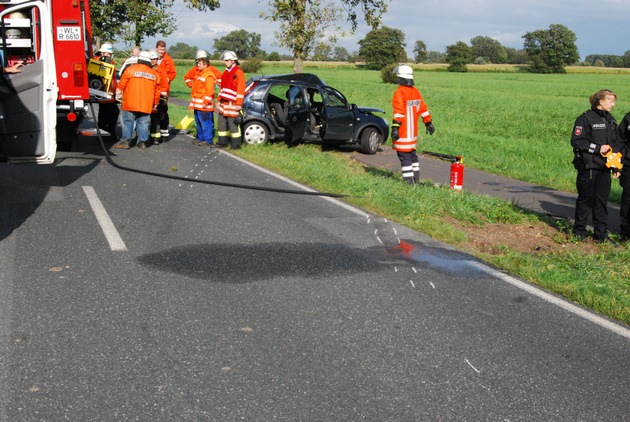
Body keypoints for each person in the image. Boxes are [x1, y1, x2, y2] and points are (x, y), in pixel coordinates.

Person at [570, 89, 621, 243]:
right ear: (601, 102)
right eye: (610, 101)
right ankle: (579, 232)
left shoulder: (610, 120)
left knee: (601, 201)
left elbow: (614, 145)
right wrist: (597, 148)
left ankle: (601, 235)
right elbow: (577, 141)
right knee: (586, 200)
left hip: (604, 168)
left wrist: (615, 166)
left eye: (614, 101)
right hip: (589, 166)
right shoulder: (585, 118)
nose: (613, 104)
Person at [390, 64, 435, 184]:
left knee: (404, 157)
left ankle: (408, 182)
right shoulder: (416, 92)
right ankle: (416, 179)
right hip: (413, 134)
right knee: (413, 156)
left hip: (403, 132)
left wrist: (395, 128)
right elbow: (423, 109)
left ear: (401, 77)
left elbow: (399, 112)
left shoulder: (399, 92)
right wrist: (428, 123)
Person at [113, 51, 161, 150]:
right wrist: (154, 103)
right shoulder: (155, 74)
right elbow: (157, 92)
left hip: (130, 102)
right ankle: (142, 142)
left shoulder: (130, 69)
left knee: (128, 122)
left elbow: (122, 84)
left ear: (139, 59)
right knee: (143, 123)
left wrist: (118, 93)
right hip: (146, 104)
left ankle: (126, 141)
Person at [216, 50, 246, 149]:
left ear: (233, 61)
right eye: (225, 60)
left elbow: (241, 89)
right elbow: (222, 88)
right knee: (222, 124)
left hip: (233, 104)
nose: (226, 62)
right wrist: (218, 101)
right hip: (224, 103)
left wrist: (239, 104)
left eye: (228, 60)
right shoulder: (225, 72)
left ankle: (236, 145)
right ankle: (222, 142)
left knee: (233, 126)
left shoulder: (238, 72)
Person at [188, 56, 220, 146]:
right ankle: (201, 138)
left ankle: (207, 140)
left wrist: (205, 102)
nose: (198, 65)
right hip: (198, 105)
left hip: (205, 106)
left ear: (205, 65)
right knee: (199, 122)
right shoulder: (201, 74)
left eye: (199, 63)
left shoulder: (209, 75)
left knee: (206, 122)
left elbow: (209, 91)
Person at [94, 42, 120, 143]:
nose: (110, 56)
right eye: (108, 54)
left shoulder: (110, 62)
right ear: (103, 53)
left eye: (110, 54)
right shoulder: (98, 62)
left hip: (109, 92)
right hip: (103, 92)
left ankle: (105, 131)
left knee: (105, 112)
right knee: (113, 111)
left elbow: (112, 78)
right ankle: (109, 131)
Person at [148, 49, 170, 145]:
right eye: (151, 59)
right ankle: (154, 136)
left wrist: (163, 98)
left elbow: (165, 86)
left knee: (160, 116)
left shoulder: (162, 71)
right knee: (151, 117)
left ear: (157, 59)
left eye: (155, 59)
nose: (153, 61)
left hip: (160, 97)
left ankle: (160, 137)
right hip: (149, 97)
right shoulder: (147, 70)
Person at [155, 40, 177, 137]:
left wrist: (167, 79)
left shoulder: (168, 60)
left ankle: (164, 132)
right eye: (160, 49)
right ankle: (155, 130)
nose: (161, 51)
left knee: (163, 109)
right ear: (157, 48)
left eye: (163, 49)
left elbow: (173, 73)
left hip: (164, 89)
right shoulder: (152, 58)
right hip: (154, 88)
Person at [615, 109, 630, 242]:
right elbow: (618, 140)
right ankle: (625, 231)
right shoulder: (628, 117)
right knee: (627, 198)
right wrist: (615, 165)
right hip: (629, 164)